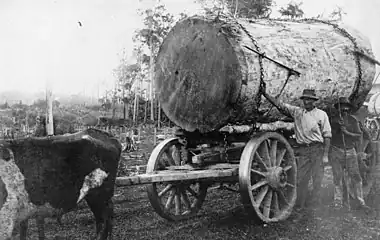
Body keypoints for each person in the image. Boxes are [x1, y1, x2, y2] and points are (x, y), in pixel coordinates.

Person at [263, 89, 331, 209]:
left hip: (317, 149)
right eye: (304, 99)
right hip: (304, 150)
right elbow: (281, 106)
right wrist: (266, 94)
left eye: (309, 99)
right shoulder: (297, 112)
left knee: (317, 178)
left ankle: (315, 206)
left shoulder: (321, 114)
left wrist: (325, 155)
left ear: (314, 101)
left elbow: (327, 136)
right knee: (300, 178)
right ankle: (300, 204)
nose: (306, 102)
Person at [329, 97, 369, 210]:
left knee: (356, 177)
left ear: (349, 109)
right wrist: (337, 128)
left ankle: (361, 202)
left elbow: (358, 135)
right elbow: (329, 135)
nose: (344, 110)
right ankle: (338, 203)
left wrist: (347, 132)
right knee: (337, 178)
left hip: (350, 151)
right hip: (336, 151)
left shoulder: (353, 120)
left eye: (346, 108)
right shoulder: (333, 121)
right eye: (342, 108)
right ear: (338, 109)